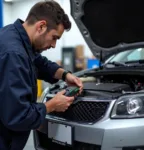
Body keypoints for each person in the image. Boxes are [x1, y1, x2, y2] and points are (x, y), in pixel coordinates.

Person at [0, 0, 83, 150]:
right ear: (41, 26)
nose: (53, 45)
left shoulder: (14, 36)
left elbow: (40, 63)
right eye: (55, 37)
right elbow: (18, 117)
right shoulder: (14, 54)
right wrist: (51, 106)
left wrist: (65, 75)